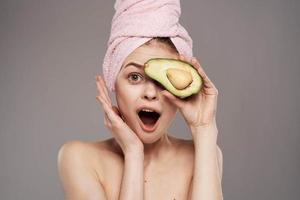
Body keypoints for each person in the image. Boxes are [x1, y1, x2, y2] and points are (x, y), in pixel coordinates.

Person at [58, 1, 223, 200]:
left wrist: (204, 128)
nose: (151, 93)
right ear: (113, 82)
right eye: (135, 77)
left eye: (164, 80)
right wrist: (133, 153)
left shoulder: (204, 155)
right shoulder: (79, 158)